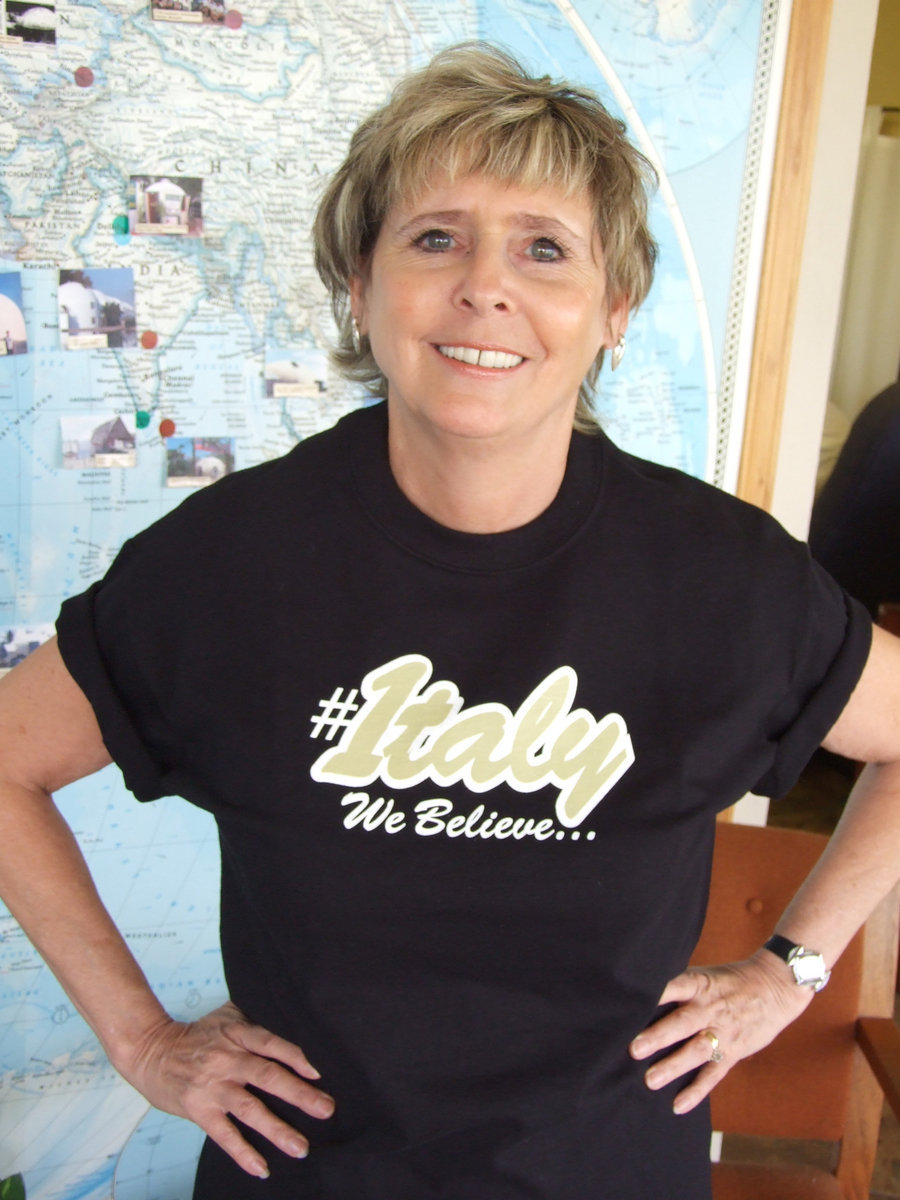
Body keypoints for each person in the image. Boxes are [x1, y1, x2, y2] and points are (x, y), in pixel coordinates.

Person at [1, 43, 899, 1200]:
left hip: (607, 1174)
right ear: (359, 285)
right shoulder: (228, 564)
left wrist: (793, 968)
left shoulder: (721, 581)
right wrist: (142, 1043)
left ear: (614, 309)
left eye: (544, 248)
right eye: (435, 237)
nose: (487, 285)